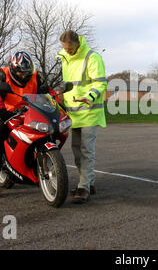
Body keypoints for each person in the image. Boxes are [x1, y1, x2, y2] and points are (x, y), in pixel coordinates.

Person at [0, 51, 54, 199]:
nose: (24, 76)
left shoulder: (36, 76)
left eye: (26, 73)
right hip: (5, 111)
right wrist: (1, 111)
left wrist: (59, 104)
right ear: (13, 69)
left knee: (46, 130)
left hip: (29, 110)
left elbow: (48, 92)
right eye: (20, 73)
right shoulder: (2, 75)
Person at [56, 30, 107, 204]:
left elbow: (100, 83)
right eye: (64, 48)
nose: (67, 51)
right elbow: (70, 82)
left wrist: (90, 96)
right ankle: (89, 183)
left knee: (86, 150)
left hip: (89, 110)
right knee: (77, 151)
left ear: (78, 44)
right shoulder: (65, 57)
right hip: (73, 112)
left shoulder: (92, 57)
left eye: (69, 49)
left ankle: (84, 186)